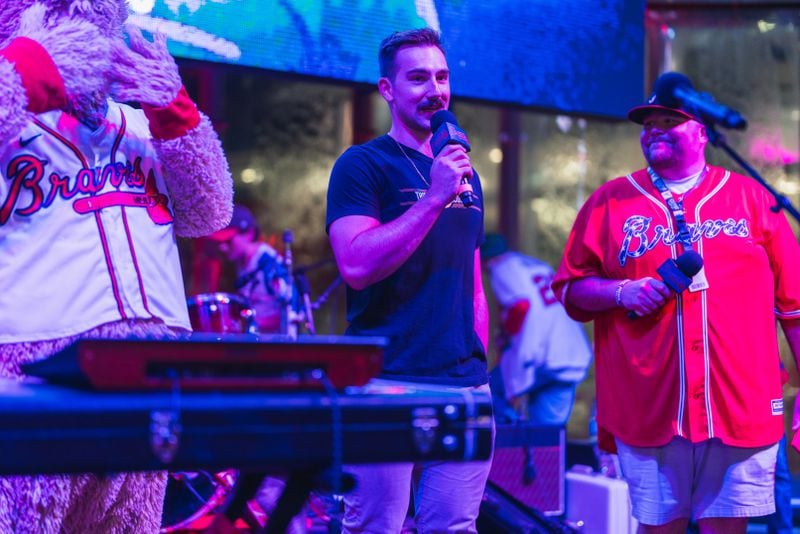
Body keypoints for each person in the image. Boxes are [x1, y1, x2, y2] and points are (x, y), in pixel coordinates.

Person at [0, 1, 233, 532]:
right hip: (34, 366)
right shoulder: (12, 111)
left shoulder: (138, 120)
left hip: (149, 373)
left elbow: (208, 211)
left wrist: (174, 109)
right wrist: (28, 71)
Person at [551, 71, 800, 533]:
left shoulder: (754, 199)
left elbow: (795, 306)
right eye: (649, 124)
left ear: (703, 134)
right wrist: (622, 290)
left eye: (671, 120)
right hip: (649, 408)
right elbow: (570, 289)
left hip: (739, 404)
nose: (655, 130)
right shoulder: (610, 202)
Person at [325, 27, 492, 533]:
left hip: (463, 387)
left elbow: (474, 283)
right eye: (418, 78)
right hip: (386, 382)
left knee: (453, 528)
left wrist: (479, 369)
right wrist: (434, 197)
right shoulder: (362, 165)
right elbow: (354, 264)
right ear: (387, 90)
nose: (434, 90)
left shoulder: (466, 174)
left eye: (441, 77)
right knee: (375, 526)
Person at [481, 233, 592, 482]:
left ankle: (507, 480)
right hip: (569, 357)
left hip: (541, 354)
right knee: (548, 437)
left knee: (490, 394)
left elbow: (520, 306)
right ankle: (545, 498)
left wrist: (506, 333)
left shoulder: (502, 267)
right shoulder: (533, 264)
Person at [207, 204, 289, 334]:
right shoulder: (240, 262)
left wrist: (247, 323)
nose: (222, 247)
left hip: (275, 345)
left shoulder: (268, 262)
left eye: (228, 241)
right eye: (220, 242)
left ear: (249, 234)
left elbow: (289, 312)